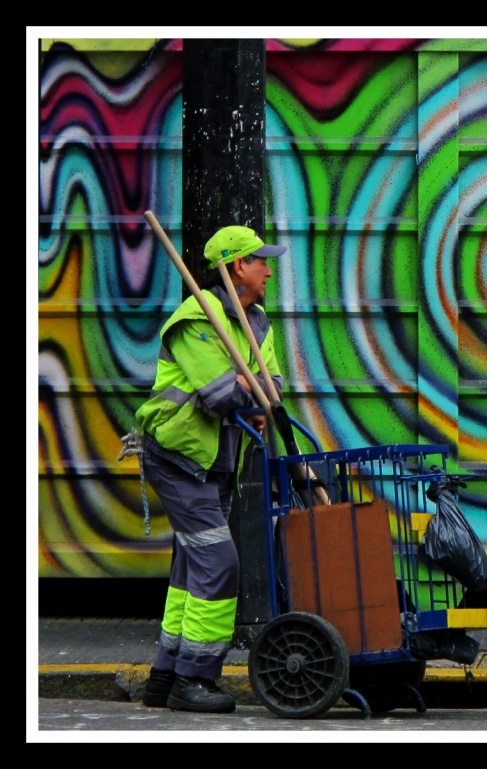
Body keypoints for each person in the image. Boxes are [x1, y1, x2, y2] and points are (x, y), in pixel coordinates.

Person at [134, 225, 286, 713]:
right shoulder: (195, 318)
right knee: (219, 566)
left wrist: (248, 386)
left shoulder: (259, 323)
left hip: (218, 463)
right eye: (261, 260)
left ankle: (166, 675)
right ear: (238, 266)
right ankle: (194, 680)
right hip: (179, 460)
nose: (268, 268)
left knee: (190, 569)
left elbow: (272, 388)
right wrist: (245, 386)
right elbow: (222, 395)